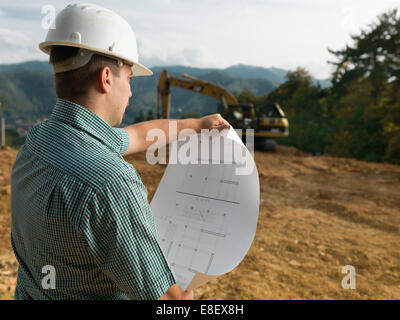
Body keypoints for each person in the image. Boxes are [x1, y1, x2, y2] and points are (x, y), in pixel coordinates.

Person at [10, 3, 230, 300]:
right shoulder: (110, 182)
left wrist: (197, 124)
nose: (130, 92)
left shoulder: (40, 140)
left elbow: (138, 136)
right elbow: (164, 300)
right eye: (129, 79)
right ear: (106, 78)